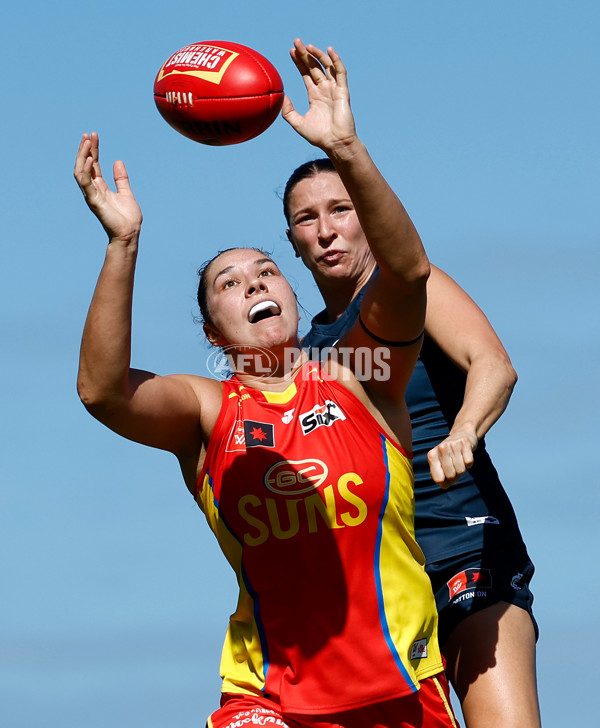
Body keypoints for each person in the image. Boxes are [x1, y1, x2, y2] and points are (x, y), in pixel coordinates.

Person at [74, 40, 459, 728]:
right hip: (267, 698)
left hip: (402, 686)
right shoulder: (208, 407)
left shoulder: (359, 375)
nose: (253, 281)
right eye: (229, 282)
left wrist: (345, 147)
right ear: (215, 334)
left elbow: (406, 275)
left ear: (289, 290)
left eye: (265, 270)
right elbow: (103, 391)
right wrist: (122, 244)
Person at [282, 162, 541, 723]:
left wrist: (464, 431)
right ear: (293, 243)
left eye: (340, 210)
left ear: (369, 218)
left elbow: (493, 366)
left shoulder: (410, 288)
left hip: (465, 545)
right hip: (379, 586)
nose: (326, 230)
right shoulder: (304, 360)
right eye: (307, 218)